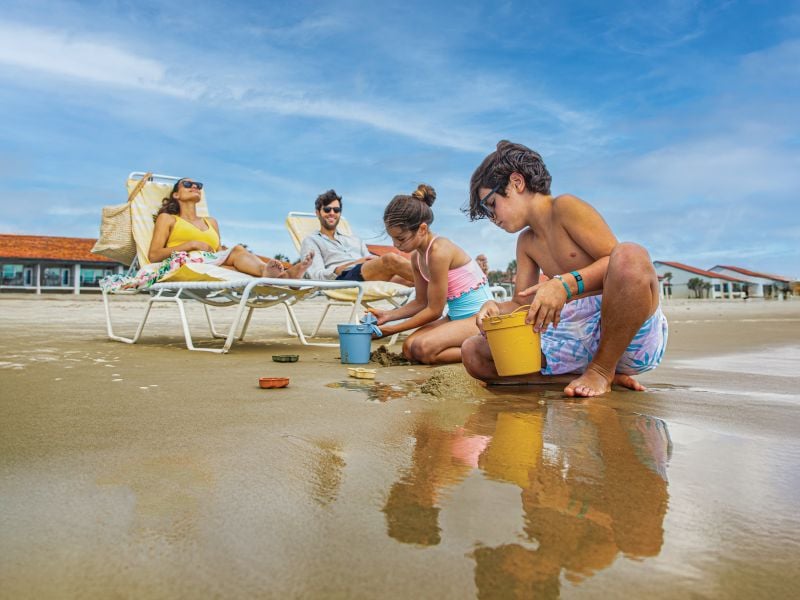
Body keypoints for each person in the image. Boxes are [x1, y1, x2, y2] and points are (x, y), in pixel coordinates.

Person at [461, 141, 668, 397]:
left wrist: (565, 284)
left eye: (491, 204)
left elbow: (617, 264)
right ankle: (582, 377)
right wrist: (496, 308)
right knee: (473, 353)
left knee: (631, 254)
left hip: (619, 335)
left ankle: (603, 370)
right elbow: (521, 303)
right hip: (570, 338)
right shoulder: (526, 242)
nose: (492, 218)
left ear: (516, 182)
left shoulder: (564, 208)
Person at [370, 184, 495, 364]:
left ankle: (491, 353)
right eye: (392, 238)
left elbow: (435, 311)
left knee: (423, 348)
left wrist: (392, 329)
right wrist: (388, 316)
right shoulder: (416, 257)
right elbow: (421, 302)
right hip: (455, 317)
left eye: (401, 238)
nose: (396, 245)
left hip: (480, 318)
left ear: (422, 229)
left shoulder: (439, 251)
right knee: (409, 348)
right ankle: (474, 347)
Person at [149, 178, 313, 279]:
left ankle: (283, 273)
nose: (195, 187)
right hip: (186, 264)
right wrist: (191, 244)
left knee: (237, 255)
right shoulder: (168, 219)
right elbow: (153, 255)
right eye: (187, 184)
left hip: (212, 262)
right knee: (236, 254)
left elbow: (219, 252)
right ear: (176, 195)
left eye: (198, 185)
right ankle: (278, 272)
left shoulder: (211, 222)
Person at [300, 189, 413, 284]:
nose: (332, 213)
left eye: (336, 210)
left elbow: (370, 261)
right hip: (342, 279)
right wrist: (354, 263)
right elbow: (316, 276)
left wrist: (371, 261)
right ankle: (430, 278)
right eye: (327, 209)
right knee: (390, 259)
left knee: (412, 280)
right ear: (318, 213)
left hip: (368, 275)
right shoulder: (311, 241)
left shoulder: (355, 240)